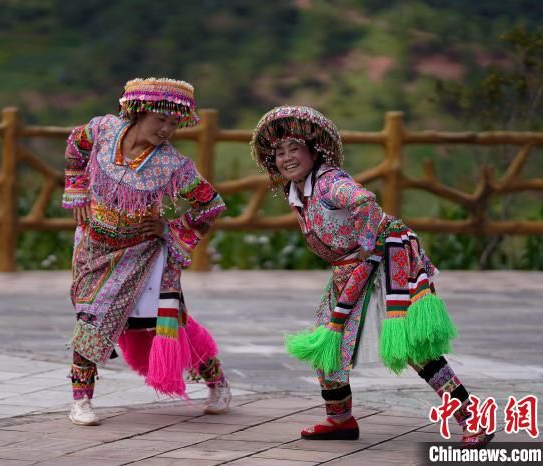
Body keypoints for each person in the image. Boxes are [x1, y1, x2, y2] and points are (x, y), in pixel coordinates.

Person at [249, 106, 493, 448]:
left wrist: (366, 246)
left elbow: (364, 201)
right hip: (349, 271)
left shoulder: (330, 181)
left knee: (413, 347)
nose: (287, 158)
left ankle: (473, 417)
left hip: (385, 262)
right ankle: (340, 419)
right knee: (326, 342)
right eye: (279, 153)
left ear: (313, 150)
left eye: (294, 149)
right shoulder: (299, 190)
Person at [62, 77, 231, 426]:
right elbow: (74, 145)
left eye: (174, 123)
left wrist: (170, 228)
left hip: (142, 256)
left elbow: (211, 205)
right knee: (90, 316)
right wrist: (76, 188)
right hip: (93, 248)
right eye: (161, 119)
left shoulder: (173, 166)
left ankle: (217, 383)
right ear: (139, 111)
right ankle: (81, 400)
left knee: (166, 324)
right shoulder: (102, 130)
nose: (167, 129)